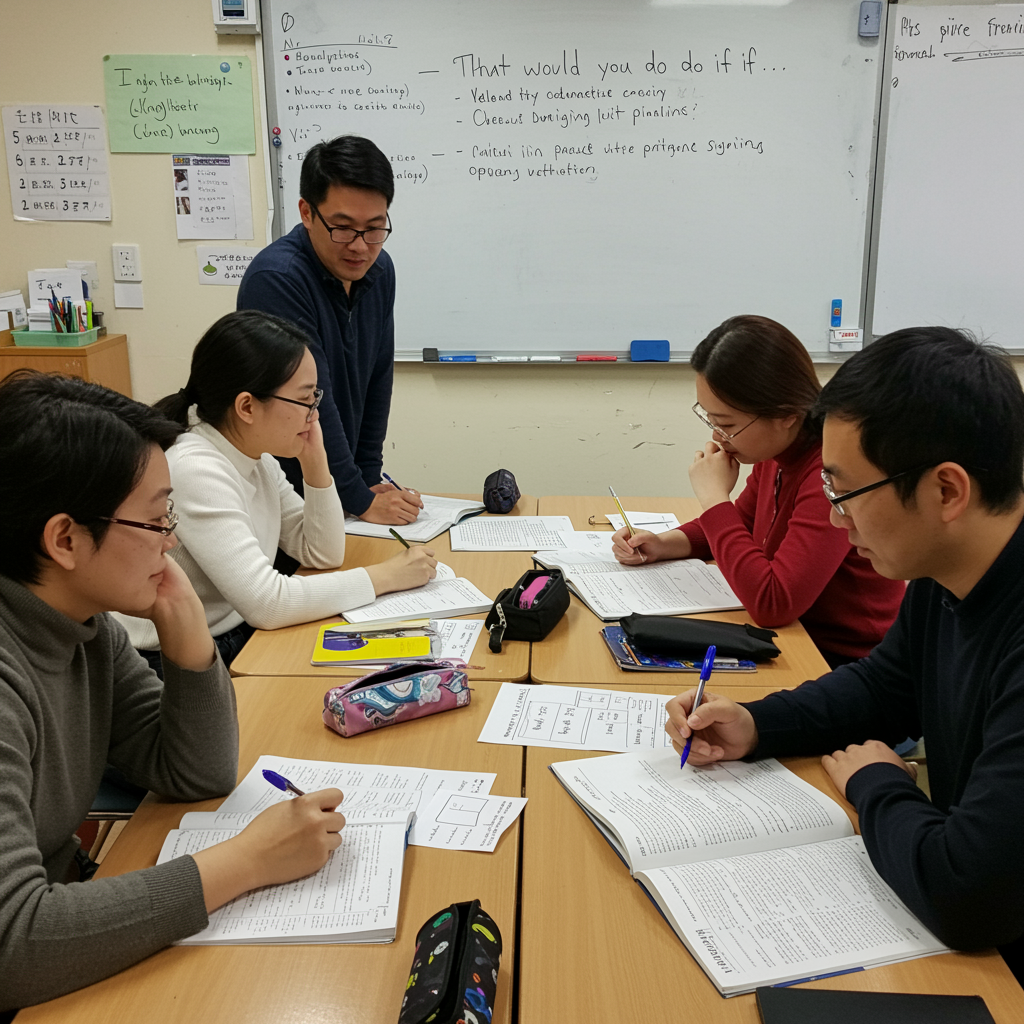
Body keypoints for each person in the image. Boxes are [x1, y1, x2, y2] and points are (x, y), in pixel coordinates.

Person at [664, 326, 1024, 982]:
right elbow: (885, 687)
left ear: (947, 491)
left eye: (845, 493)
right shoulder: (947, 573)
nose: (835, 520)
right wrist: (757, 724)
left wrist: (876, 782)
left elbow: (969, 893)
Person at [0, 370, 345, 1011]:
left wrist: (191, 645)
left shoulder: (84, 625)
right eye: (157, 521)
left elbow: (195, 771)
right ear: (65, 539)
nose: (173, 542)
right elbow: (13, 944)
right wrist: (245, 861)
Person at [114, 310, 437, 668]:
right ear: (247, 406)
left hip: (233, 633)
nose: (315, 413)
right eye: (305, 400)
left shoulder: (255, 457)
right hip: (171, 661)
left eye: (316, 397)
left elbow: (322, 553)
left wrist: (315, 462)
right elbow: (267, 602)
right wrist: (387, 576)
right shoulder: (196, 467)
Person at [612, 315, 904, 667]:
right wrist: (664, 543)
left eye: (727, 424)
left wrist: (713, 499)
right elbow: (742, 524)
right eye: (710, 420)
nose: (718, 437)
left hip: (842, 661)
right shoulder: (774, 453)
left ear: (786, 414)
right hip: (796, 641)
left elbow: (773, 603)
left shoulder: (829, 473)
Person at [237, 134, 424, 526]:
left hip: (339, 495)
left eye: (375, 228)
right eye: (342, 227)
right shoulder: (278, 280)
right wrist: (360, 498)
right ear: (307, 212)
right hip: (284, 497)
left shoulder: (380, 270)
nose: (360, 246)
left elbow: (378, 377)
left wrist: (368, 480)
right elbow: (313, 400)